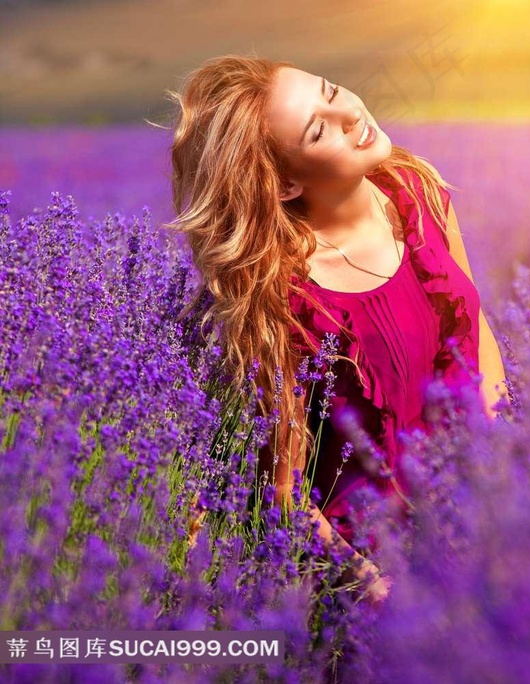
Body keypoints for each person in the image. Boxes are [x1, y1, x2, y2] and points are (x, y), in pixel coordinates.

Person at [169, 55, 508, 604]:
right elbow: (282, 492)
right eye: (319, 129)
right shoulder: (281, 295)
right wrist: (374, 588)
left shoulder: (416, 191)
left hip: (472, 506)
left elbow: (477, 330)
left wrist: (501, 457)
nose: (350, 113)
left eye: (331, 91)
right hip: (367, 558)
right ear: (283, 183)